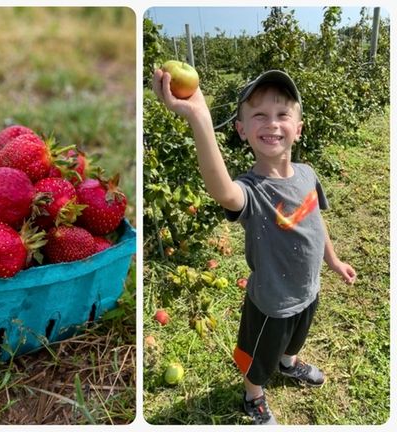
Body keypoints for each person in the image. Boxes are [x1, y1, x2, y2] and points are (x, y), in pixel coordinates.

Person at [152, 69, 357, 425]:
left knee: (295, 338)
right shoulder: (252, 190)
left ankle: (289, 363)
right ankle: (253, 395)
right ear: (242, 129)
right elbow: (222, 190)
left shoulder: (307, 174)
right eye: (259, 115)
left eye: (282, 115)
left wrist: (334, 260)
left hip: (308, 291)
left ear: (299, 127)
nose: (272, 123)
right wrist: (199, 117)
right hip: (271, 303)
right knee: (256, 357)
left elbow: (315, 222)